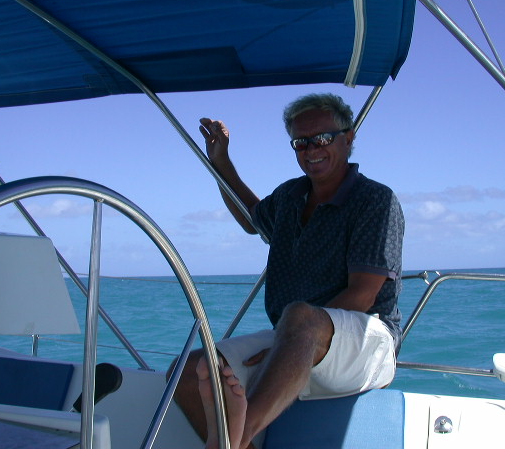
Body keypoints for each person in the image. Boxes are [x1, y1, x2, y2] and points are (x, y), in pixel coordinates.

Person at [173, 93, 404, 449]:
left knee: (299, 316)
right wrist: (221, 161)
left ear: (348, 138)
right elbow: (251, 218)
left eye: (323, 138)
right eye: (301, 142)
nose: (312, 149)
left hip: (363, 342)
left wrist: (293, 339)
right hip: (294, 336)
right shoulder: (290, 196)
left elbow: (362, 295)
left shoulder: (374, 200)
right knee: (190, 371)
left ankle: (235, 438)